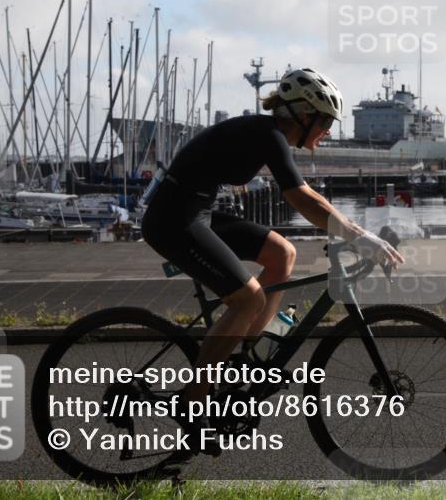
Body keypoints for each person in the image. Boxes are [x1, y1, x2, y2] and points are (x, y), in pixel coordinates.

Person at [140, 67, 404, 454]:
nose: (328, 130)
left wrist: (352, 233)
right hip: (173, 219)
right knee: (248, 298)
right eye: (326, 121)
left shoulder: (269, 134)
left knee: (283, 253)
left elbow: (302, 198)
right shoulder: (270, 135)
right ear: (303, 114)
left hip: (198, 210)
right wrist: (360, 236)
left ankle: (243, 356)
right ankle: (192, 402)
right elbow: (303, 198)